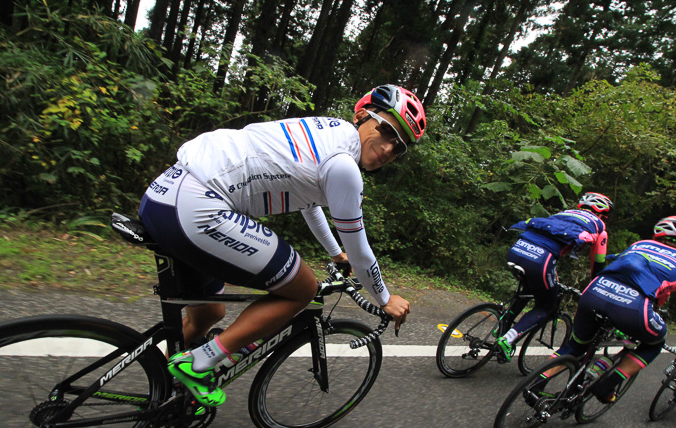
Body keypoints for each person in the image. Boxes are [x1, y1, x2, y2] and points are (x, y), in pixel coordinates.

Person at [138, 84, 426, 406]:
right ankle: (198, 364)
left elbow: (309, 204)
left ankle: (159, 383)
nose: (389, 148)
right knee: (302, 289)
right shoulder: (344, 166)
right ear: (362, 115)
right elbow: (360, 250)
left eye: (399, 147)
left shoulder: (331, 133)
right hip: (198, 207)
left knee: (208, 313)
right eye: (387, 131)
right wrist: (385, 298)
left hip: (164, 196)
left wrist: (334, 253)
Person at [538, 215, 676, 403]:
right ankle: (607, 385)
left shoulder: (640, 244)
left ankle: (537, 383)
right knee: (654, 343)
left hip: (594, 292)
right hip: (633, 307)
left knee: (575, 345)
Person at [495, 192, 613, 361]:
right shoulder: (599, 227)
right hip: (541, 259)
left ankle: (502, 325)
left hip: (517, 248)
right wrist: (596, 285)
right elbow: (598, 263)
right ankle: (507, 339)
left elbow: (546, 238)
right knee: (546, 306)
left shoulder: (562, 214)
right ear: (601, 213)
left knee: (528, 288)